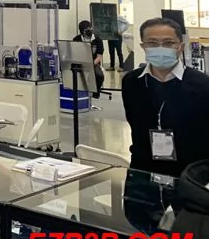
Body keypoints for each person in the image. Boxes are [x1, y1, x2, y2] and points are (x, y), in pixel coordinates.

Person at [121, 18, 209, 177]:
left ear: (180, 46)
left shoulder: (202, 84)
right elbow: (134, 121)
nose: (160, 48)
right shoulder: (131, 82)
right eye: (152, 43)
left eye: (169, 43)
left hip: (191, 173)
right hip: (142, 170)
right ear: (143, 46)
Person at [74, 20, 105, 100]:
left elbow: (99, 57)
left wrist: (91, 65)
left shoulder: (97, 40)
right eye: (86, 30)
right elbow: (75, 54)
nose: (89, 32)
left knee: (99, 75)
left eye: (90, 29)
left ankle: (96, 92)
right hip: (80, 63)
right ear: (82, 32)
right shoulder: (76, 40)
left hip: (94, 63)